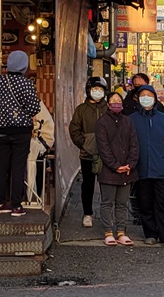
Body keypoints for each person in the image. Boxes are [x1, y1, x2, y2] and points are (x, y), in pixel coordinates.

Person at [0, 50, 42, 215]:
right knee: (18, 167)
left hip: (2, 130)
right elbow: (34, 108)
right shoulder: (26, 84)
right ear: (24, 66)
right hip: (22, 132)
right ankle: (16, 205)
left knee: (2, 166)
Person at [128, 85, 164, 248]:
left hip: (161, 169)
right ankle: (150, 234)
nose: (146, 98)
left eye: (149, 95)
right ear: (137, 98)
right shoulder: (131, 119)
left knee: (163, 204)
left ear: (155, 98)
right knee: (145, 203)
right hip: (141, 169)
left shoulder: (163, 119)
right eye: (142, 95)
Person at [94, 90, 139, 246]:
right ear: (108, 104)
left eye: (119, 100)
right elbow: (103, 148)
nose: (116, 103)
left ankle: (121, 231)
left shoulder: (128, 121)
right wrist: (115, 166)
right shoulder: (102, 122)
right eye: (113, 100)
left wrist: (130, 165)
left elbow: (134, 144)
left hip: (127, 170)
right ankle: (108, 231)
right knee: (107, 202)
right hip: (108, 170)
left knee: (122, 202)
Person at [68, 77, 109, 227]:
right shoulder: (81, 109)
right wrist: (84, 143)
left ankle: (107, 214)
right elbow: (74, 129)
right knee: (88, 184)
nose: (97, 92)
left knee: (107, 185)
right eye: (94, 89)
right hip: (87, 154)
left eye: (101, 90)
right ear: (88, 90)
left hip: (107, 155)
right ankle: (87, 213)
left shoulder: (108, 108)